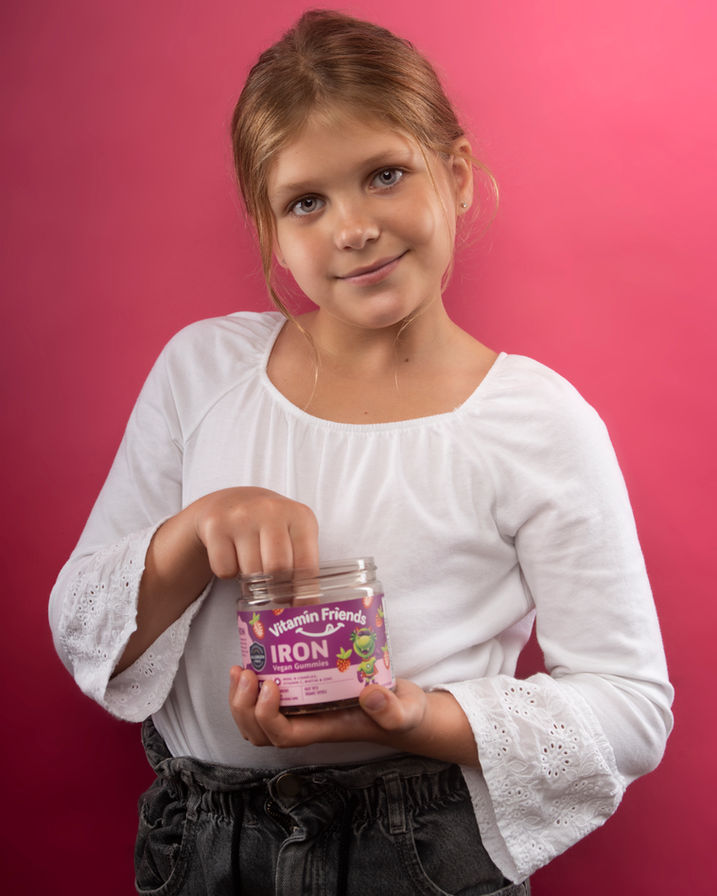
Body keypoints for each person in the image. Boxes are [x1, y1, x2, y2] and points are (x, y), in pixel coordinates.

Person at [49, 9, 673, 895]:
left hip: (420, 852)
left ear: (455, 175)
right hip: (201, 844)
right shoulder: (203, 371)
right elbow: (81, 630)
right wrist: (192, 534)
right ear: (269, 230)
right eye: (307, 201)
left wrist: (418, 717)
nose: (352, 228)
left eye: (385, 175)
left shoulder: (538, 422)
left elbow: (629, 707)